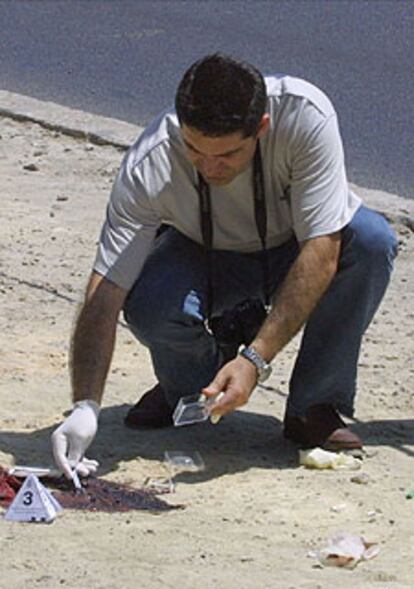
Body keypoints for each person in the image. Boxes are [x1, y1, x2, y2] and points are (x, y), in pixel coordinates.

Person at [52, 53, 397, 479]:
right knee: (148, 303)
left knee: (372, 240)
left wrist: (255, 360)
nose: (211, 167)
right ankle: (189, 390)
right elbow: (105, 291)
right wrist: (85, 405)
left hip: (297, 244)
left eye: (228, 154)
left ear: (262, 129)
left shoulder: (305, 114)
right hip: (203, 252)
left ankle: (313, 407)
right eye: (195, 150)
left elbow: (322, 248)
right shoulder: (149, 162)